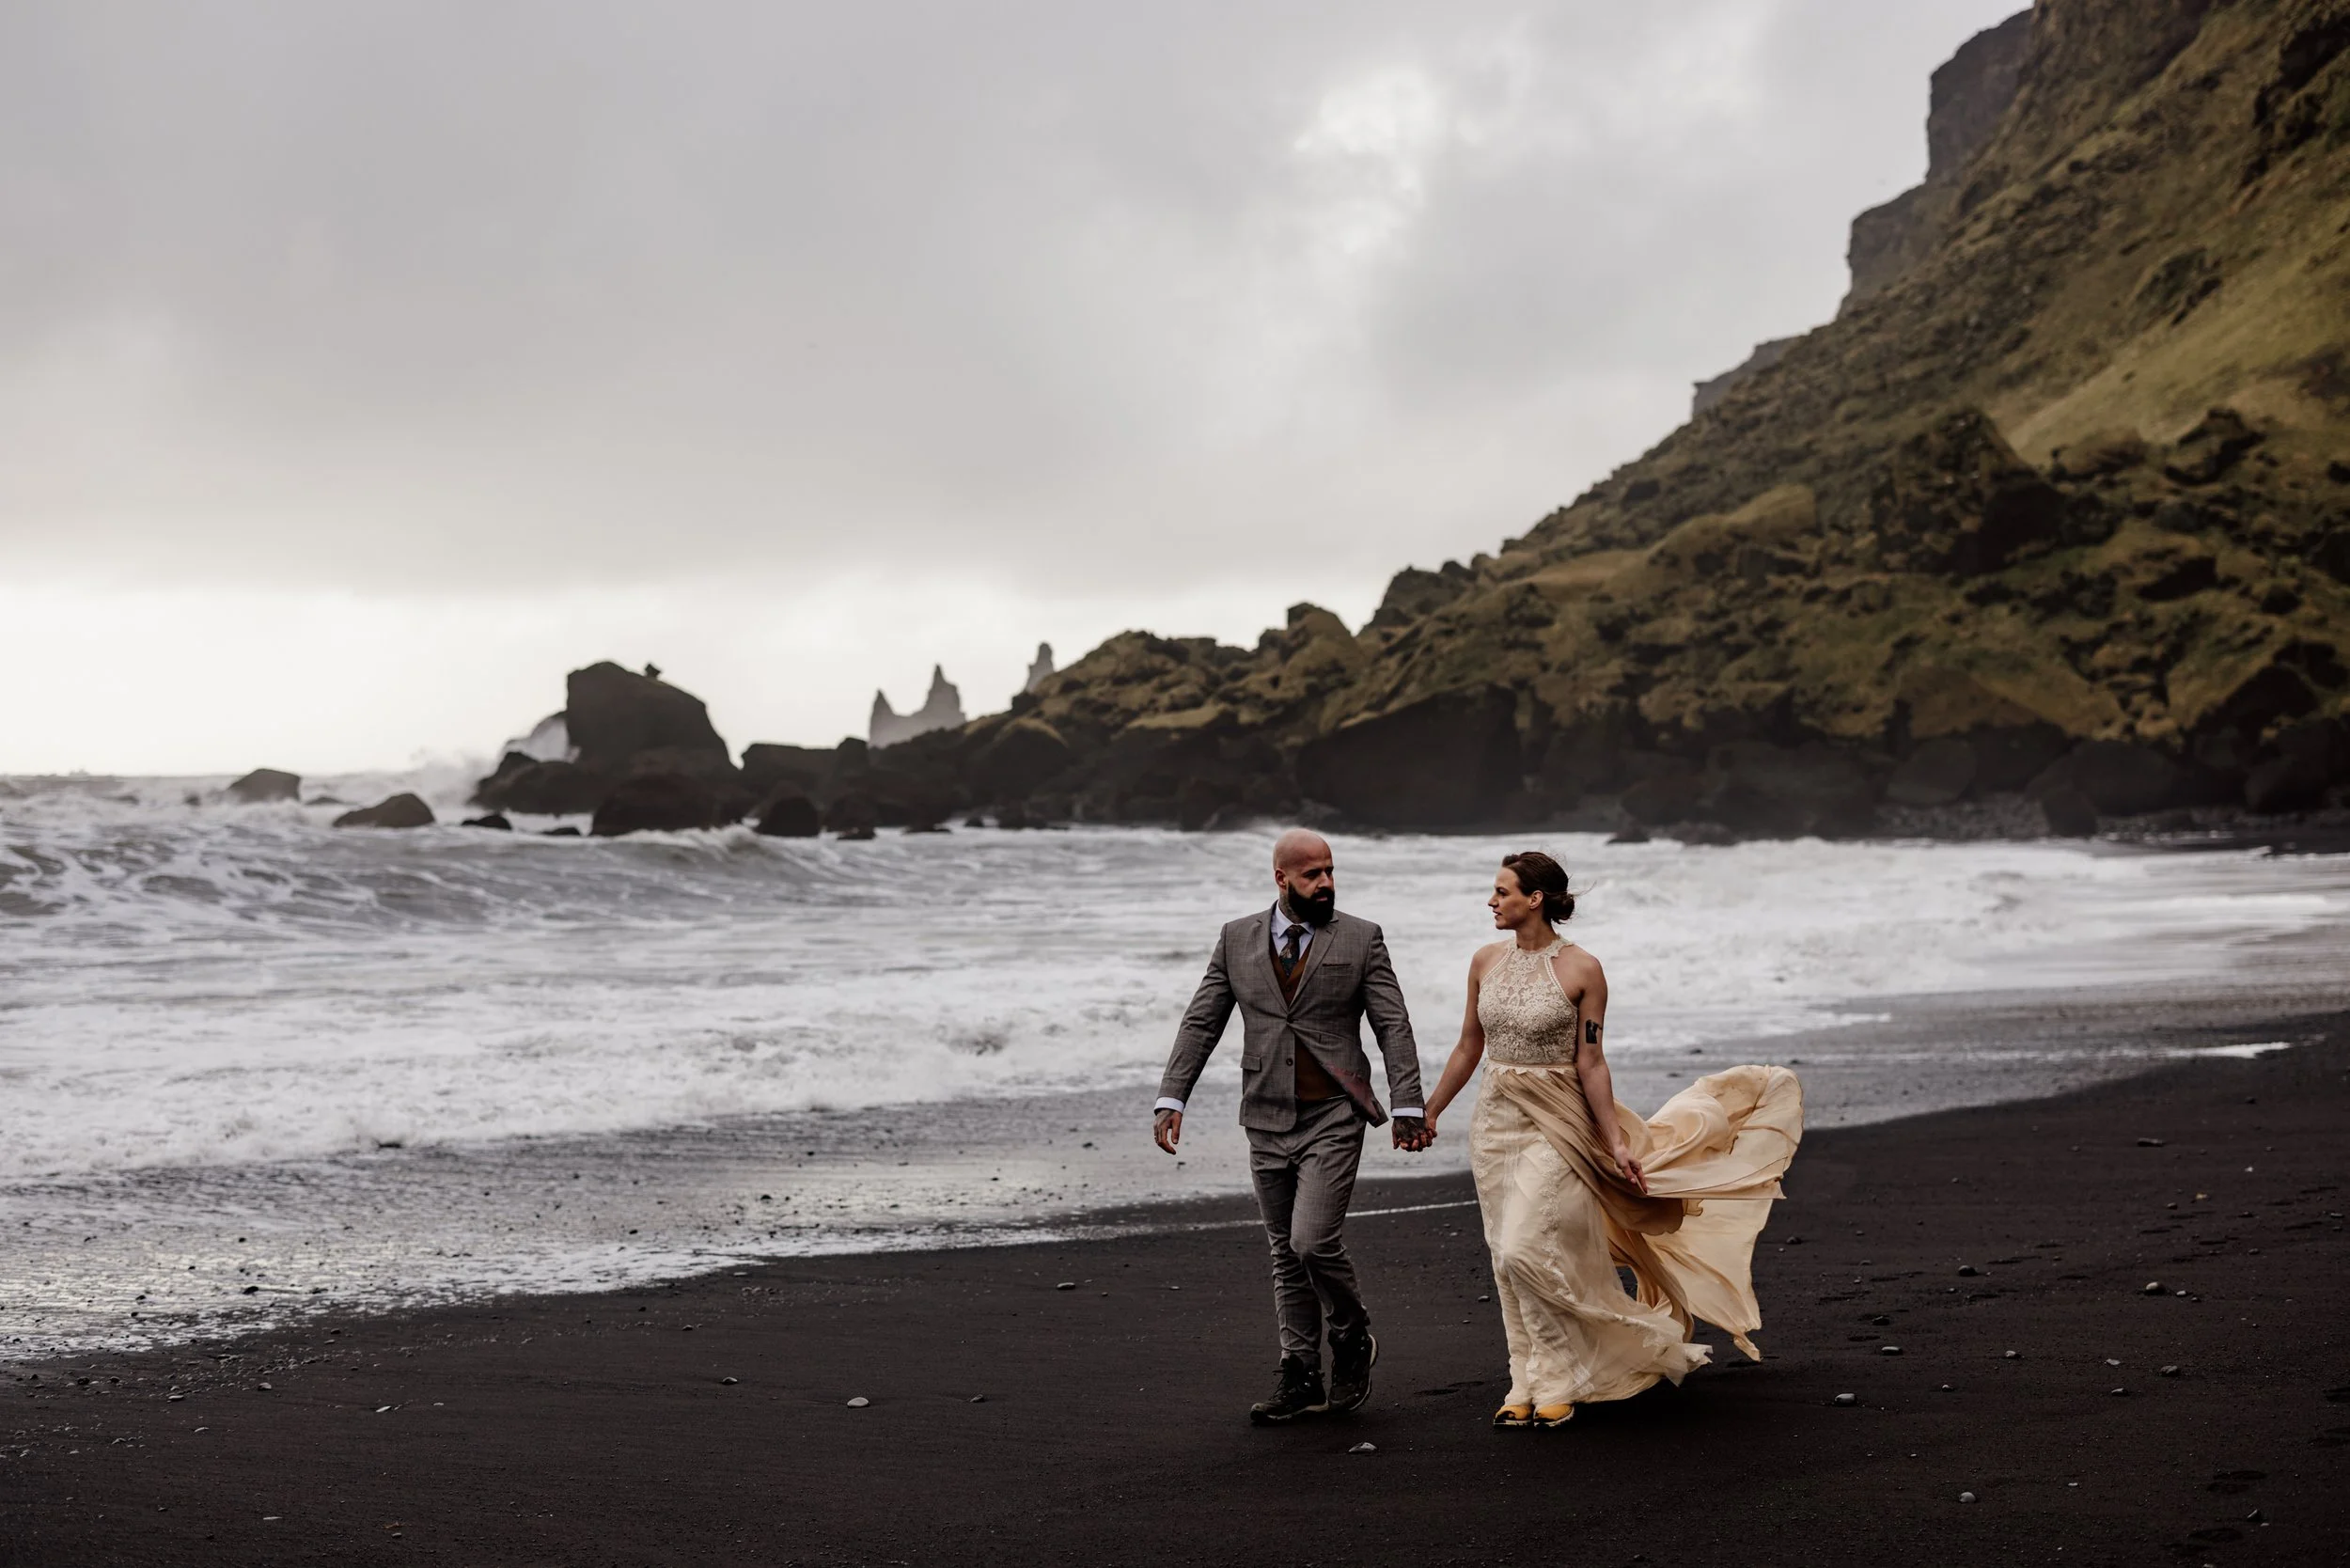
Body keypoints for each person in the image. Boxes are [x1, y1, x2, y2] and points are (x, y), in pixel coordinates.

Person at [1420, 851, 1803, 1430]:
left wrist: (1616, 1142)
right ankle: (1524, 1380)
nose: (1492, 901)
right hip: (1496, 1120)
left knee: (1529, 1248)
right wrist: (1429, 1112)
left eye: (1502, 892)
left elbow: (1592, 1061)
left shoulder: (1583, 970)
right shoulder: (1483, 962)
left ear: (1535, 899)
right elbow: (1469, 1046)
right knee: (1505, 1258)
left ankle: (1564, 1378)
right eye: (1493, 892)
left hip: (1560, 1120)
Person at [1153, 828, 1432, 1424]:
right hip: (1265, 1114)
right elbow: (1202, 1022)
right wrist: (1173, 1095)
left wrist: (1408, 1102)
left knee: (1313, 1242)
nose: (1326, 883)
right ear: (1282, 878)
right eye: (1313, 875)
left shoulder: (1360, 938)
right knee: (1284, 1253)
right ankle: (1300, 1373)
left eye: (1331, 871)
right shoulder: (1236, 940)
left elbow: (1393, 1024)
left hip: (1334, 1111)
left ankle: (1352, 1334)